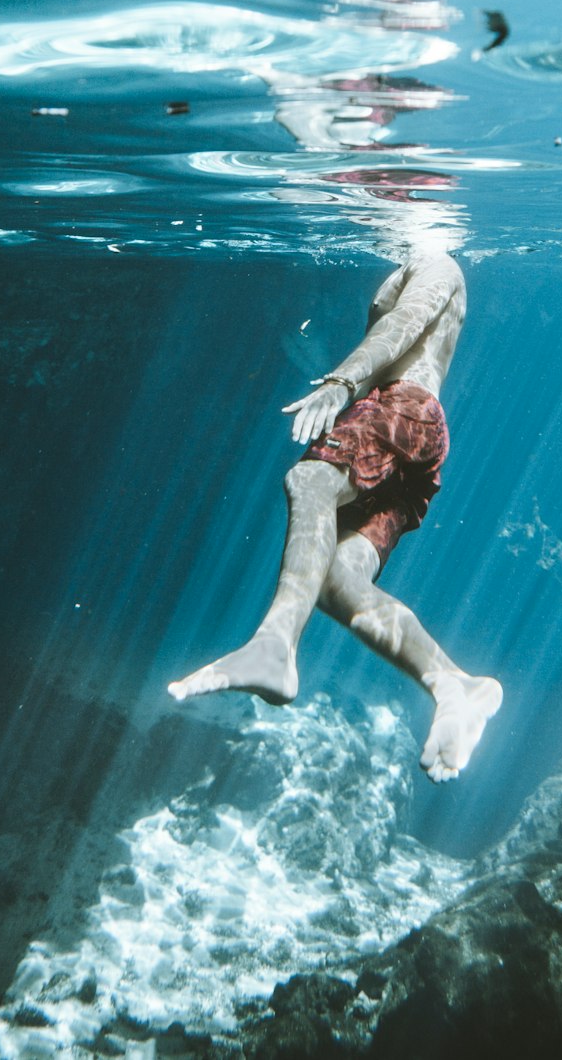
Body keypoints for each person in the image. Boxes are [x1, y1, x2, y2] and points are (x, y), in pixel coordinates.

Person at [167, 252, 502, 783]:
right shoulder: (419, 259)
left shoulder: (439, 262)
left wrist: (342, 382)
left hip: (404, 408)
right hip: (414, 429)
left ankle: (274, 647)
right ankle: (452, 685)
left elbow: (403, 324)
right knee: (334, 579)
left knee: (309, 480)